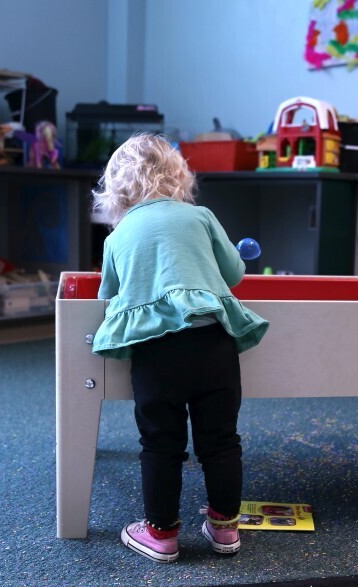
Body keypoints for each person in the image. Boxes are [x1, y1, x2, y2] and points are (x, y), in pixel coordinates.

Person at [90, 133, 269, 563]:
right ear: (180, 176)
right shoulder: (201, 217)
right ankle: (225, 530)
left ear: (117, 189)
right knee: (222, 441)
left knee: (160, 444)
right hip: (212, 342)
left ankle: (162, 535)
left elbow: (108, 293)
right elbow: (234, 272)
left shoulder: (118, 236)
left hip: (156, 352)